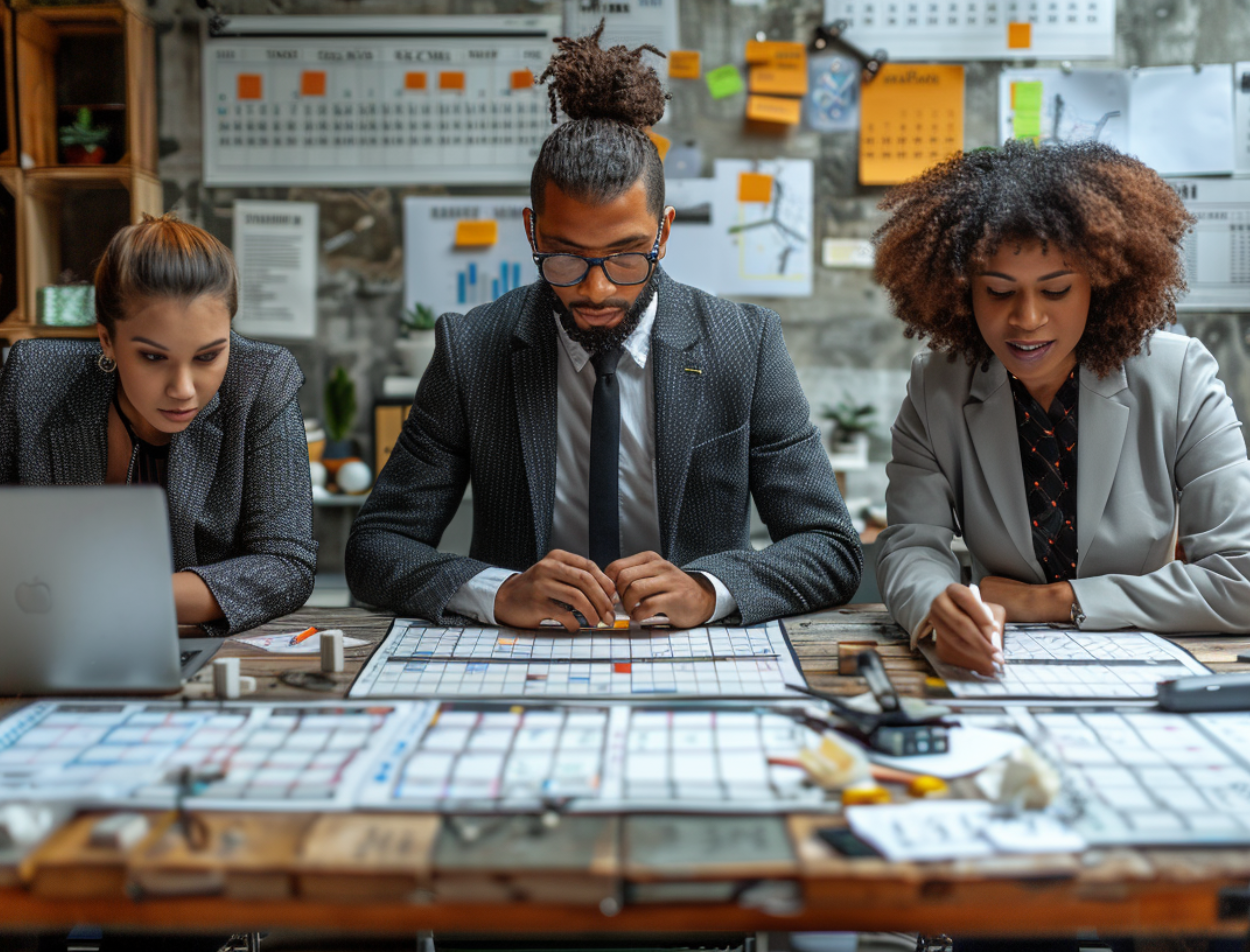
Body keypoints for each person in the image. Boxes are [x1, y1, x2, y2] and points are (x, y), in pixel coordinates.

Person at [347, 24, 861, 630]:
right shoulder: (472, 349)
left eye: (626, 256)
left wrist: (709, 589)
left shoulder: (744, 344)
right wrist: (497, 591)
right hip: (523, 656)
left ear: (664, 232)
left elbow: (831, 547)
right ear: (532, 231)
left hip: (694, 655)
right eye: (565, 257)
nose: (596, 290)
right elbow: (375, 548)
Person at [873, 140, 1250, 675]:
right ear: (961, 293)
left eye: (1056, 290)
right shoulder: (937, 385)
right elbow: (911, 544)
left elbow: (1242, 578)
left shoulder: (1181, 376)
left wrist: (1053, 600)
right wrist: (937, 607)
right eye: (999, 291)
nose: (1027, 318)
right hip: (998, 669)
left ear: (1100, 284)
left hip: (1146, 675)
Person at [0, 213, 317, 636]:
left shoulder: (260, 381)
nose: (184, 389)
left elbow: (287, 565)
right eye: (153, 357)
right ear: (107, 339)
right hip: (45, 642)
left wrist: (116, 595)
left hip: (193, 649)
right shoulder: (34, 379)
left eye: (208, 356)